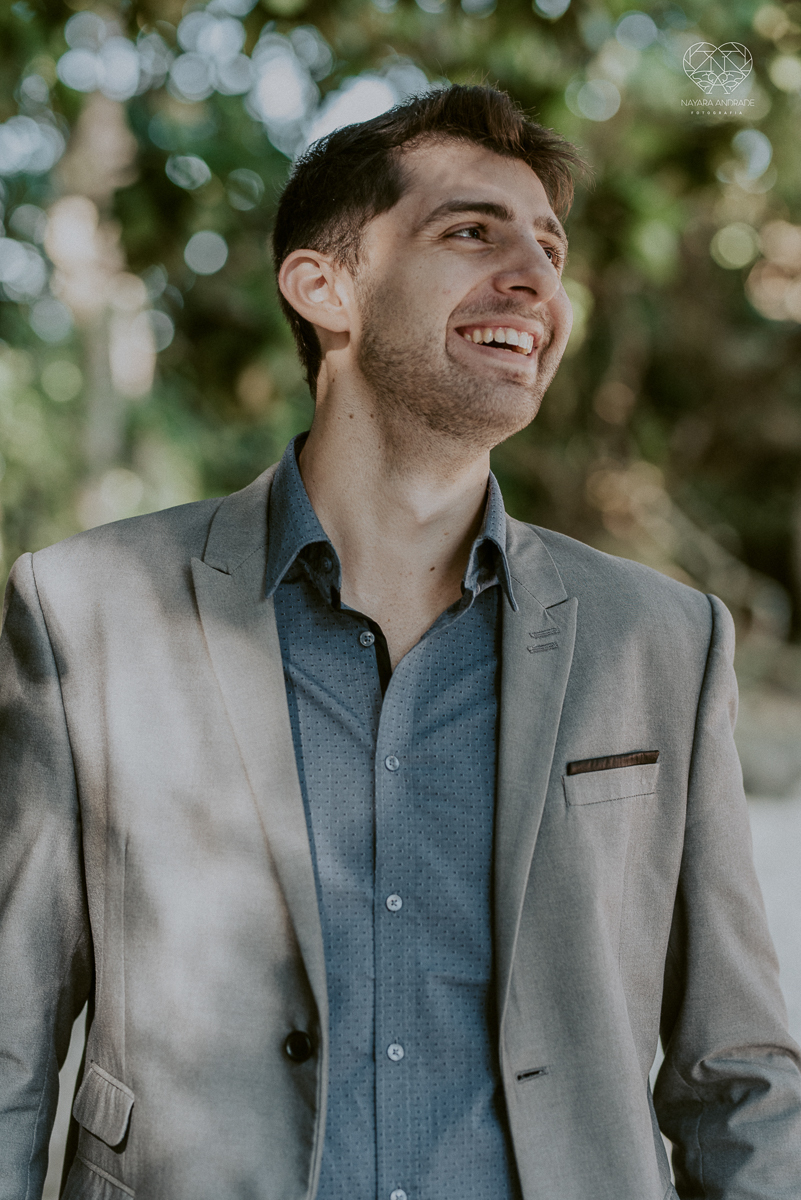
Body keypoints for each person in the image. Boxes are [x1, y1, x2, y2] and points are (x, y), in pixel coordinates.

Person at [0, 84, 799, 1200]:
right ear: (324, 287)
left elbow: (738, 1071)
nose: (534, 276)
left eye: (549, 247)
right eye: (471, 230)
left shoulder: (663, 640)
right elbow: (9, 1045)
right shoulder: (86, 609)